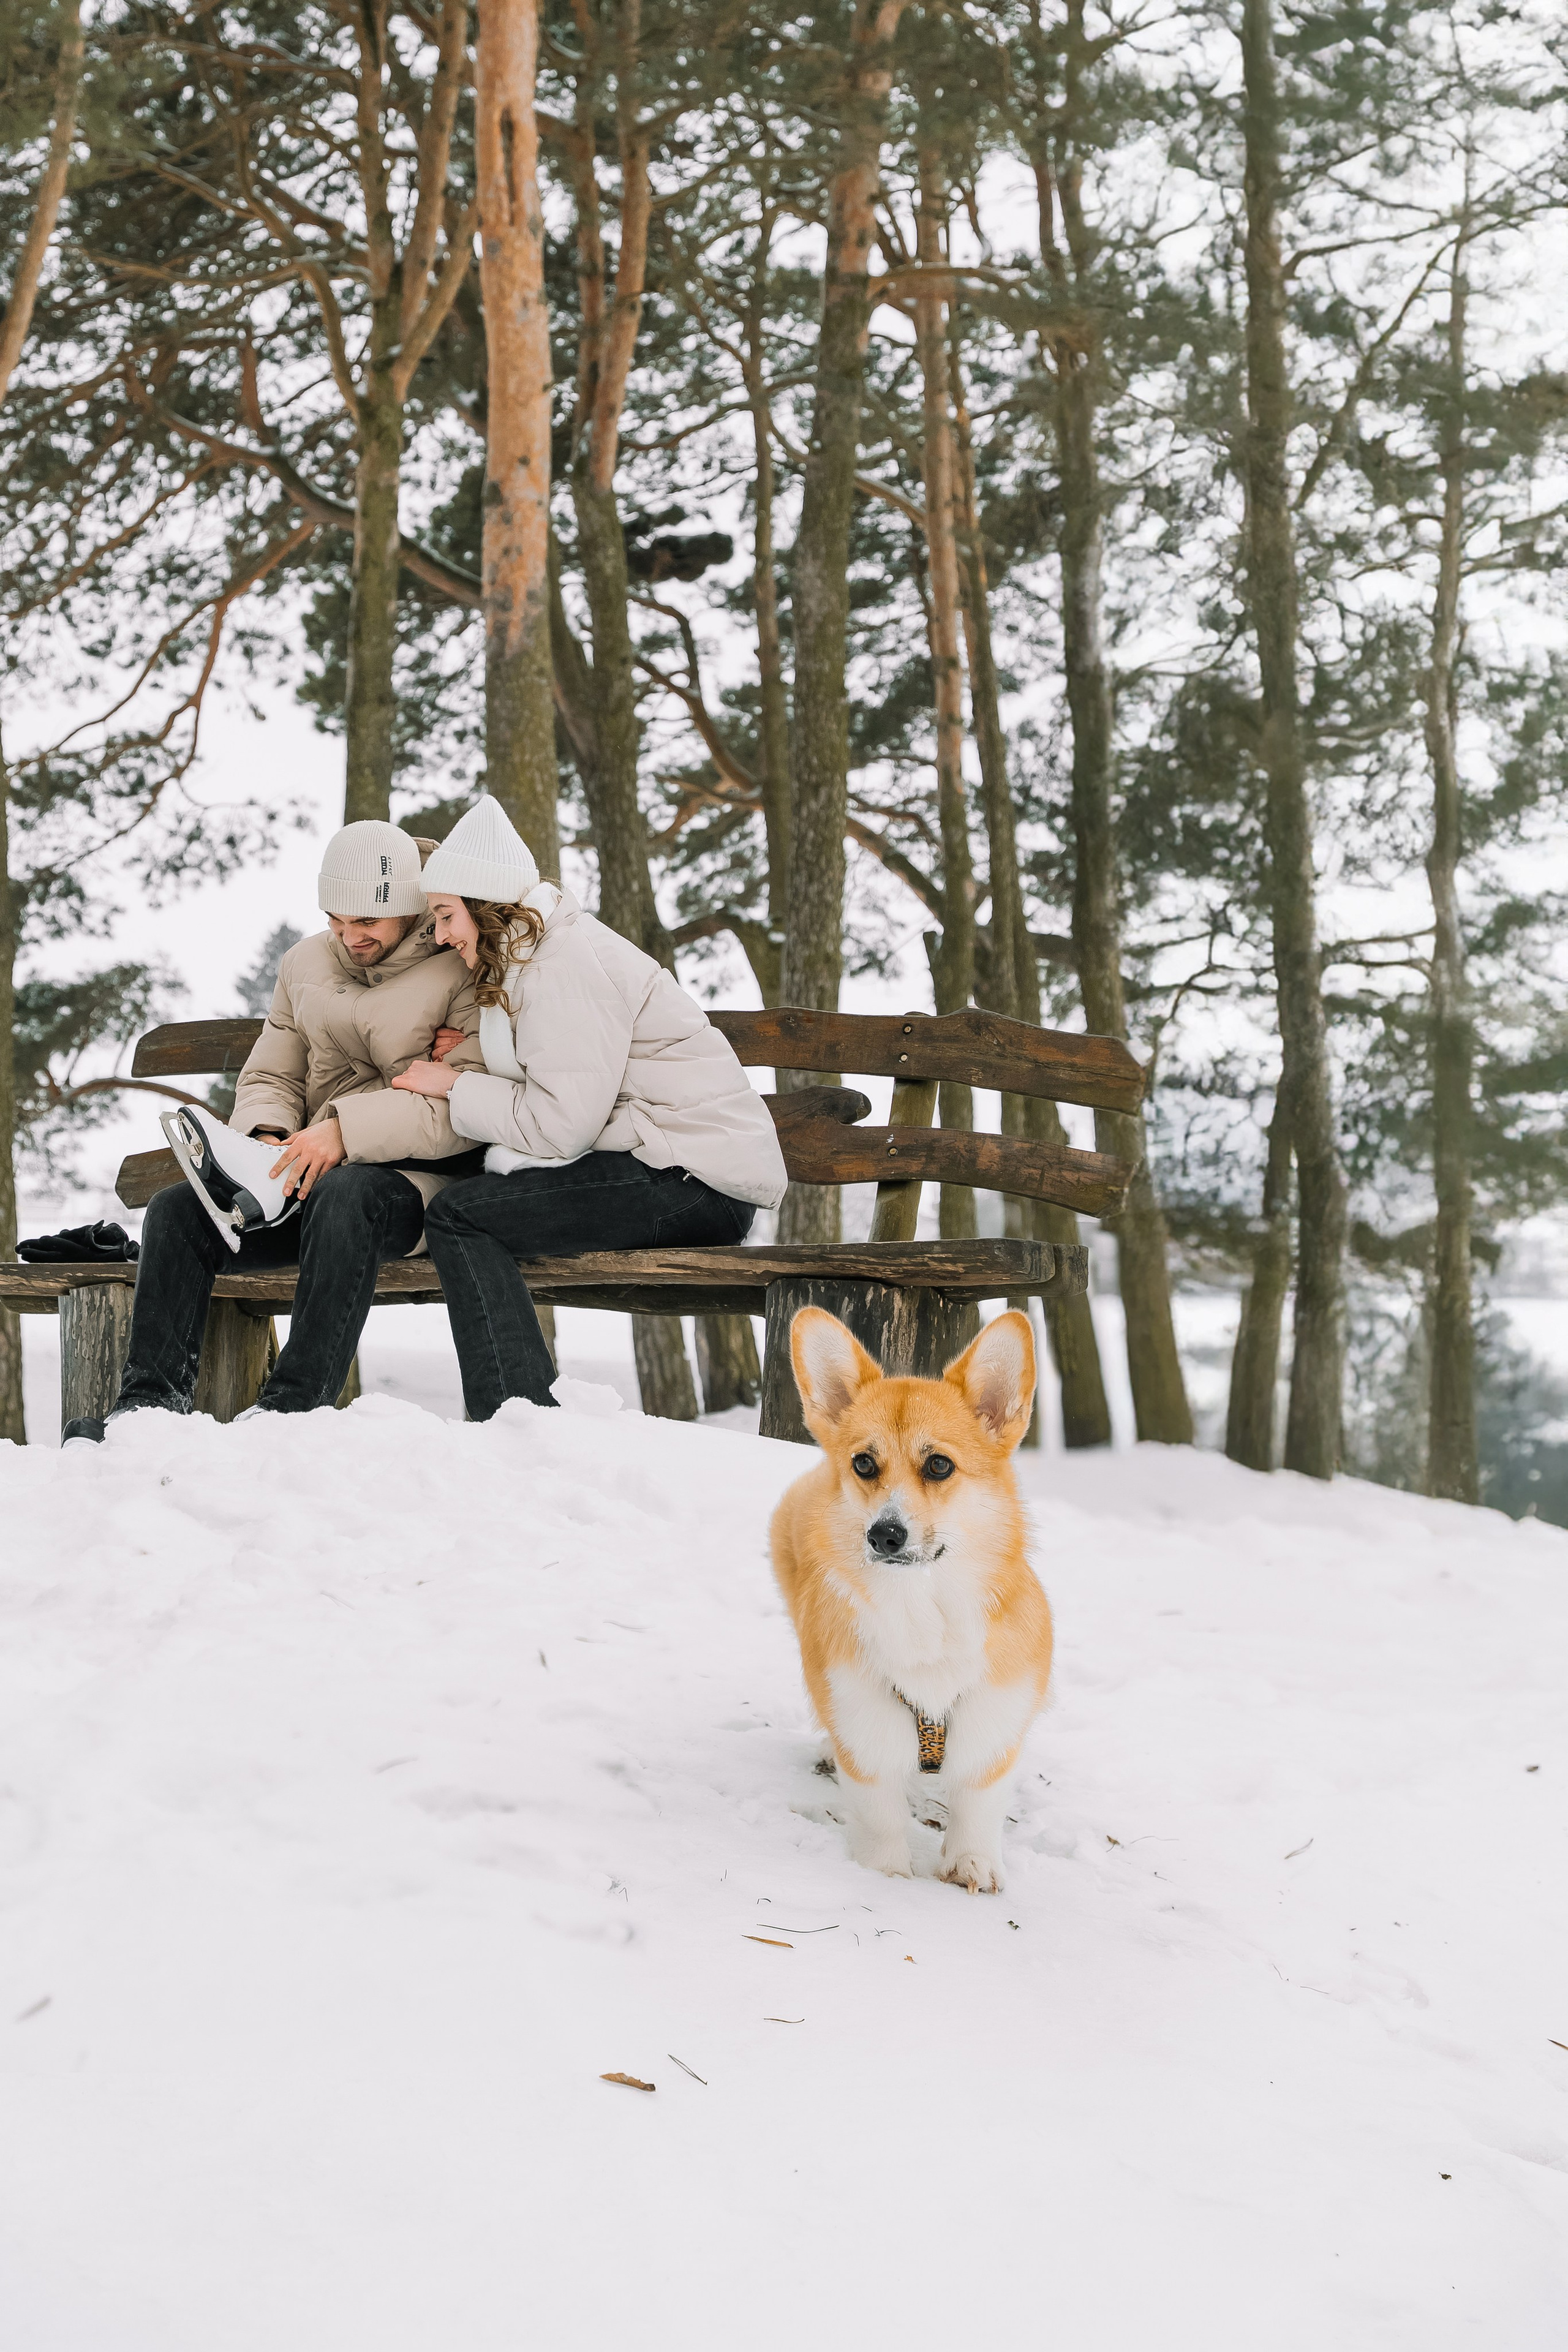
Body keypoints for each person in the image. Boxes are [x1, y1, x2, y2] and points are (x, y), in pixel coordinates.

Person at [64, 823, 486, 1442]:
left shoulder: (462, 959)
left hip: (413, 1187)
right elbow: (272, 1073)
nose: (350, 936)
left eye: (367, 922)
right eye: (335, 920)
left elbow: (464, 1107)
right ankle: (148, 1410)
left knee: (347, 1195)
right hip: (308, 1170)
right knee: (177, 1213)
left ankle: (292, 1411)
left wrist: (343, 1133)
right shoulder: (305, 963)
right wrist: (265, 1139)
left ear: (407, 905)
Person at [391, 796, 786, 1422]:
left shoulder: (562, 965)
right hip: (675, 1167)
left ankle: (516, 1414)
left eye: (446, 916)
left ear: (487, 905)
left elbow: (559, 1126)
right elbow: (567, 1070)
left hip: (693, 1181)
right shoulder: (541, 954)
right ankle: (518, 1409)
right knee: (470, 1208)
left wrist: (454, 1086)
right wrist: (471, 1052)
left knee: (460, 1216)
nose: (440, 935)